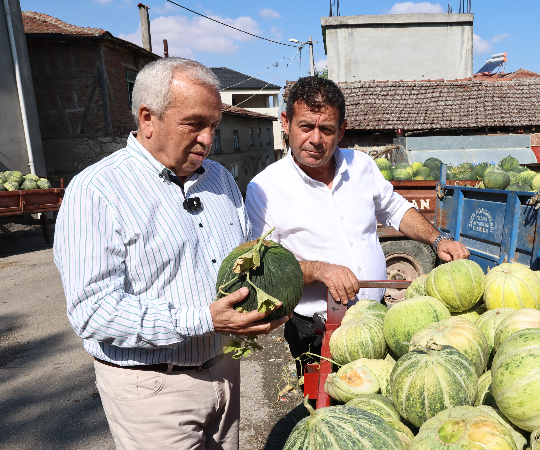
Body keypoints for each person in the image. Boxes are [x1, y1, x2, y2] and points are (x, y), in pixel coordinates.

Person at [53, 57, 288, 450]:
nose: (208, 140)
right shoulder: (97, 191)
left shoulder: (220, 178)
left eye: (214, 126)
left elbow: (245, 260)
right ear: (148, 118)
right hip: (154, 389)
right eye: (194, 124)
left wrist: (269, 296)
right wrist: (202, 319)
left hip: (224, 373)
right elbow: (93, 310)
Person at [245, 76, 470, 373]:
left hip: (377, 318)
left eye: (326, 129)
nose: (315, 139)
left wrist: (438, 240)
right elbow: (263, 268)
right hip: (317, 329)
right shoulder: (265, 188)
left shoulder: (361, 166)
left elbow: (396, 209)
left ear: (342, 130)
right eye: (305, 127)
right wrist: (319, 270)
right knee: (327, 411)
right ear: (285, 123)